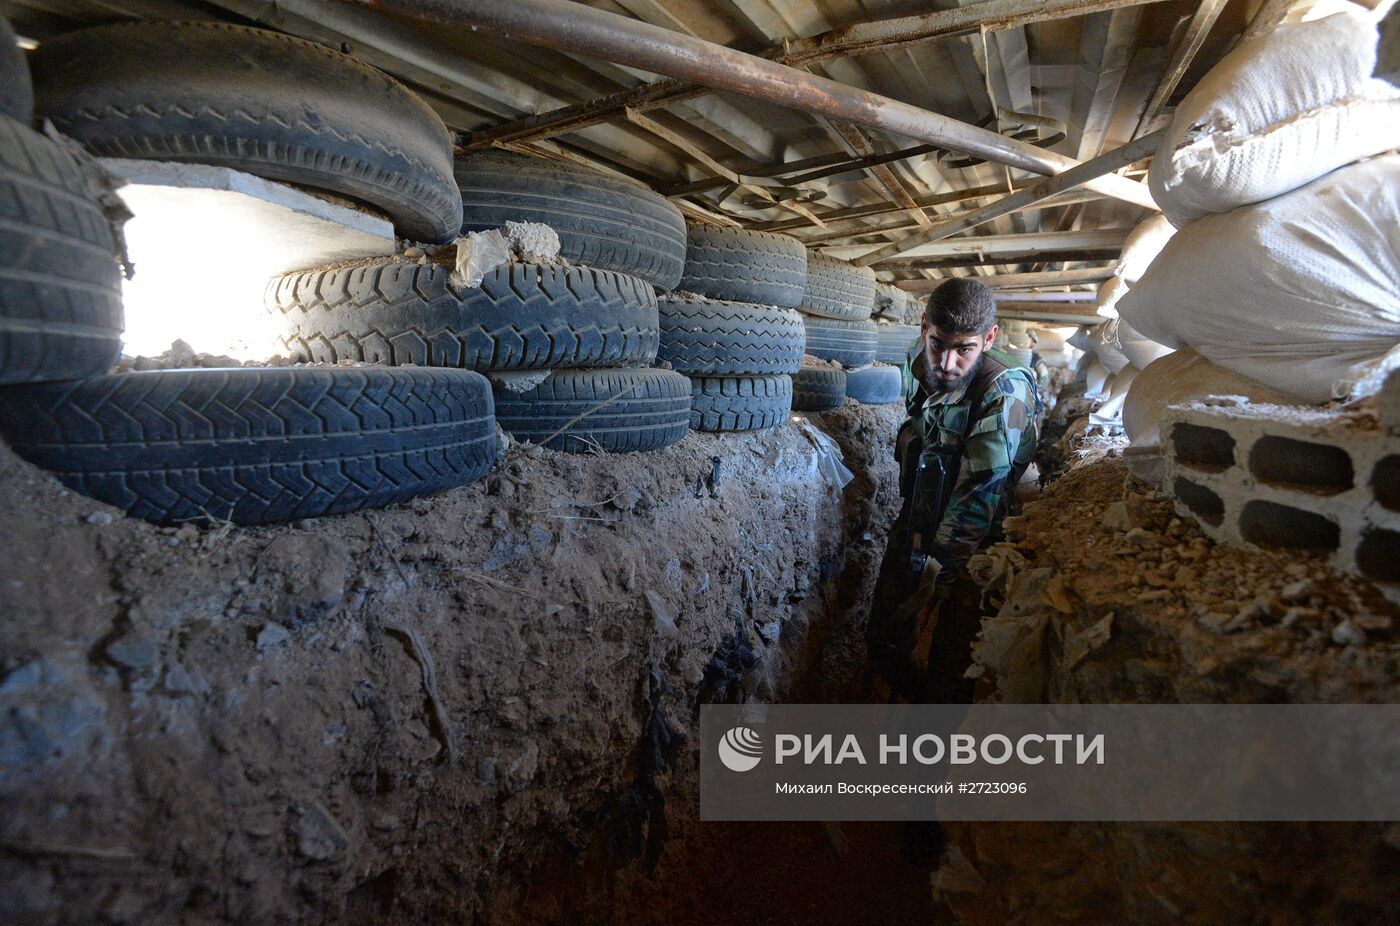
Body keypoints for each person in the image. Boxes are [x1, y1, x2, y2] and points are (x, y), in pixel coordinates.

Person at [867, 278, 1040, 704]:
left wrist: (934, 578)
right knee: (883, 641)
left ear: (990, 338)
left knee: (952, 670)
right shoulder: (918, 361)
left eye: (964, 349)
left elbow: (980, 495)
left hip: (979, 543)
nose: (946, 362)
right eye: (938, 344)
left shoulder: (1003, 392)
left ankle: (931, 753)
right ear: (924, 326)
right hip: (920, 518)